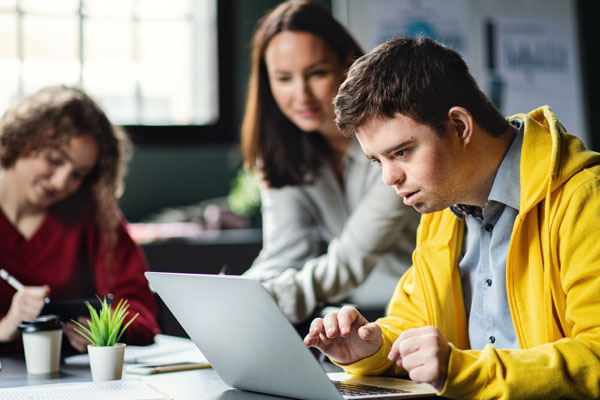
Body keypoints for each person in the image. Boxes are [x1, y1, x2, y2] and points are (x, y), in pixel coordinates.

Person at [304, 37, 600, 399]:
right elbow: (412, 324)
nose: (389, 177)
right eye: (378, 161)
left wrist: (464, 371)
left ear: (459, 127)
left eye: (401, 152)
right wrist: (372, 348)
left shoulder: (586, 199)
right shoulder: (443, 210)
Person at [241, 0, 420, 324]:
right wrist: (238, 295)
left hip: (442, 301)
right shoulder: (283, 152)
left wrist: (261, 302)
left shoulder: (394, 140)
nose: (301, 95)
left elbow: (352, 258)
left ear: (349, 65)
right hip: (390, 310)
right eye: (284, 79)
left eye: (317, 73)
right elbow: (283, 255)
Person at [0, 85, 160, 354]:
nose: (62, 182)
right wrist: (5, 327)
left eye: (78, 174)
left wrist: (101, 327)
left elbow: (140, 310)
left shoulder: (94, 215)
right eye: (54, 160)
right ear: (22, 140)